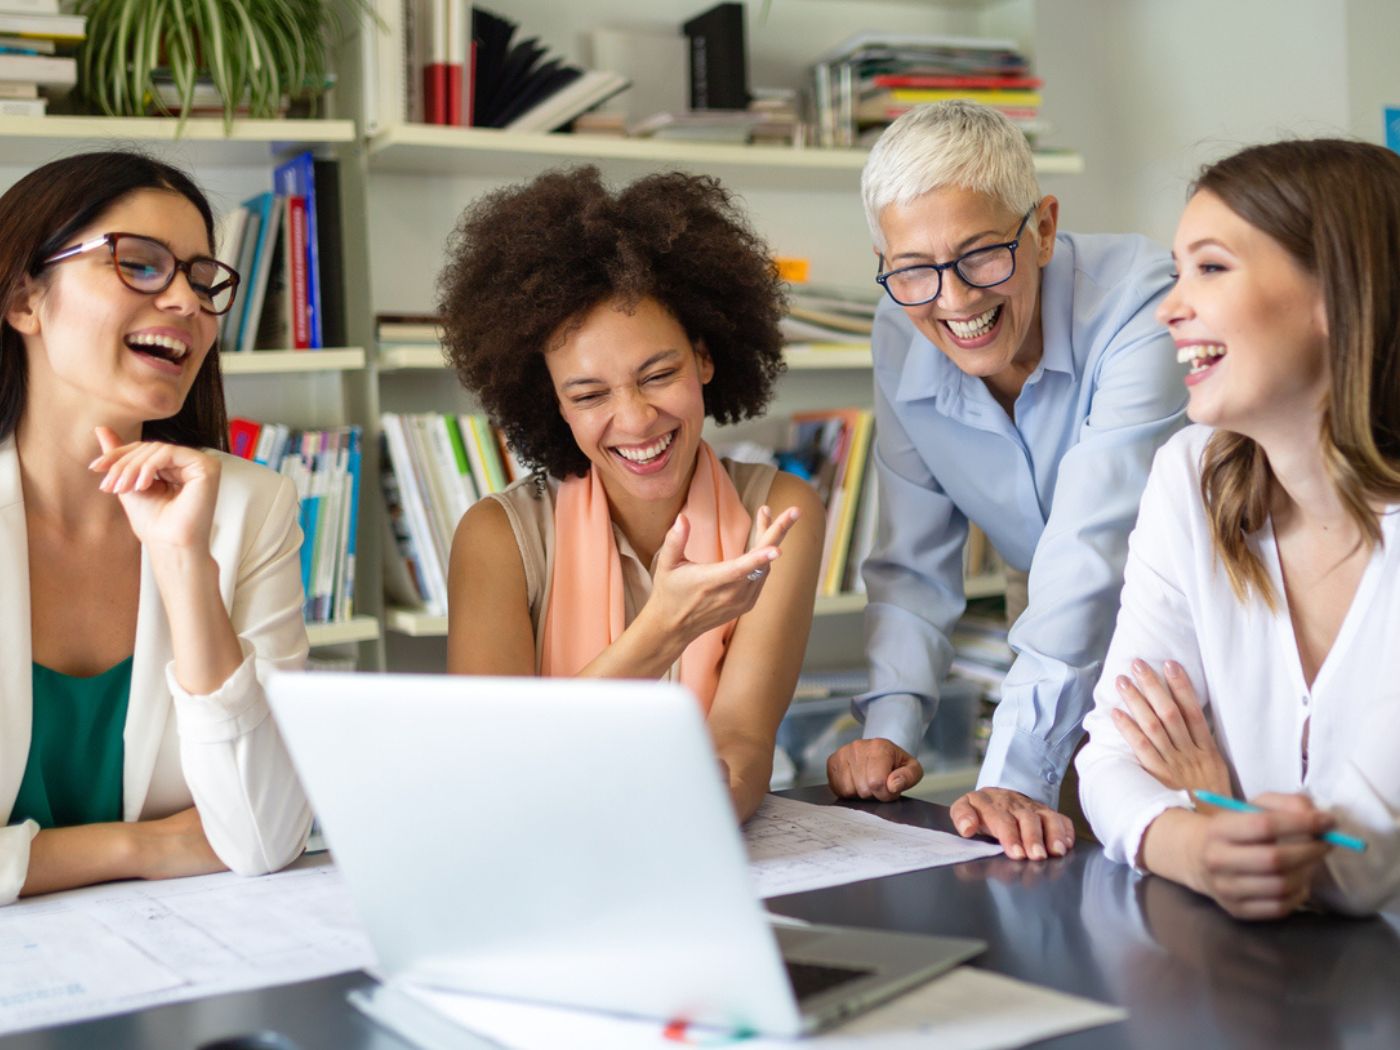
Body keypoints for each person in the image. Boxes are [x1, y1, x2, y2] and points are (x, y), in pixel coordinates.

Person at [825, 100, 1187, 861]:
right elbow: (912, 558)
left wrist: (1015, 774)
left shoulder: (1141, 303)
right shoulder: (900, 328)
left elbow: (1092, 551)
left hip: (1187, 628)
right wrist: (888, 729)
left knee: (1171, 872)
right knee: (1044, 873)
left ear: (1044, 228)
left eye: (981, 255)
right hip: (1048, 622)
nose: (954, 300)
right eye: (913, 270)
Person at [438, 167, 824, 822]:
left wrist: (688, 827)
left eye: (659, 374)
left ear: (704, 358)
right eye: (589, 395)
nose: (637, 419)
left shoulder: (779, 515)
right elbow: (494, 768)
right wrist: (665, 628)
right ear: (553, 403)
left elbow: (741, 741)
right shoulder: (497, 539)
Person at [1077, 138, 1400, 919]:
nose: (1169, 306)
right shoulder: (1192, 477)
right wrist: (1194, 842)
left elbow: (1363, 854)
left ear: (1338, 295)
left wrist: (1217, 803)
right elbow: (1113, 756)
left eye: (1211, 268)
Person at [0, 151, 312, 905]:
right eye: (139, 265)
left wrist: (182, 566)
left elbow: (264, 835)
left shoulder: (250, 507)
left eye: (203, 281)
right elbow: (198, 842)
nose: (186, 303)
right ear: (23, 299)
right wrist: (140, 846)